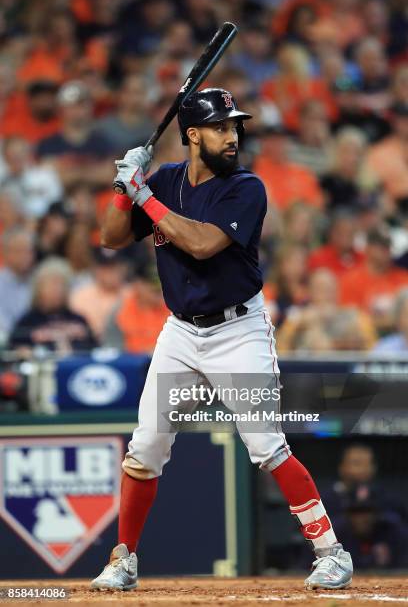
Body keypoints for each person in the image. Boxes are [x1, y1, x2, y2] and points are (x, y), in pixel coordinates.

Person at [91, 88, 353, 591]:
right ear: (192, 135)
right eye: (220, 127)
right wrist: (124, 187)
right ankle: (123, 559)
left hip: (239, 330)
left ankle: (330, 551)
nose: (232, 136)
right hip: (181, 331)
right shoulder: (166, 179)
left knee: (265, 444)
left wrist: (144, 195)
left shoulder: (246, 188)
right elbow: (110, 237)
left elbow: (203, 243)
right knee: (144, 446)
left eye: (234, 127)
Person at [9, 257, 95, 355]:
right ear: (39, 288)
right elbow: (13, 350)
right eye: (52, 284)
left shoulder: (79, 319)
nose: (57, 290)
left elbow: (94, 349)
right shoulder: (27, 321)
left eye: (62, 284)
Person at [0, 227, 34, 343]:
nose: (25, 256)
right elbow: (4, 327)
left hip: (38, 343)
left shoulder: (38, 281)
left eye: (29, 251)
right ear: (5, 252)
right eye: (19, 250)